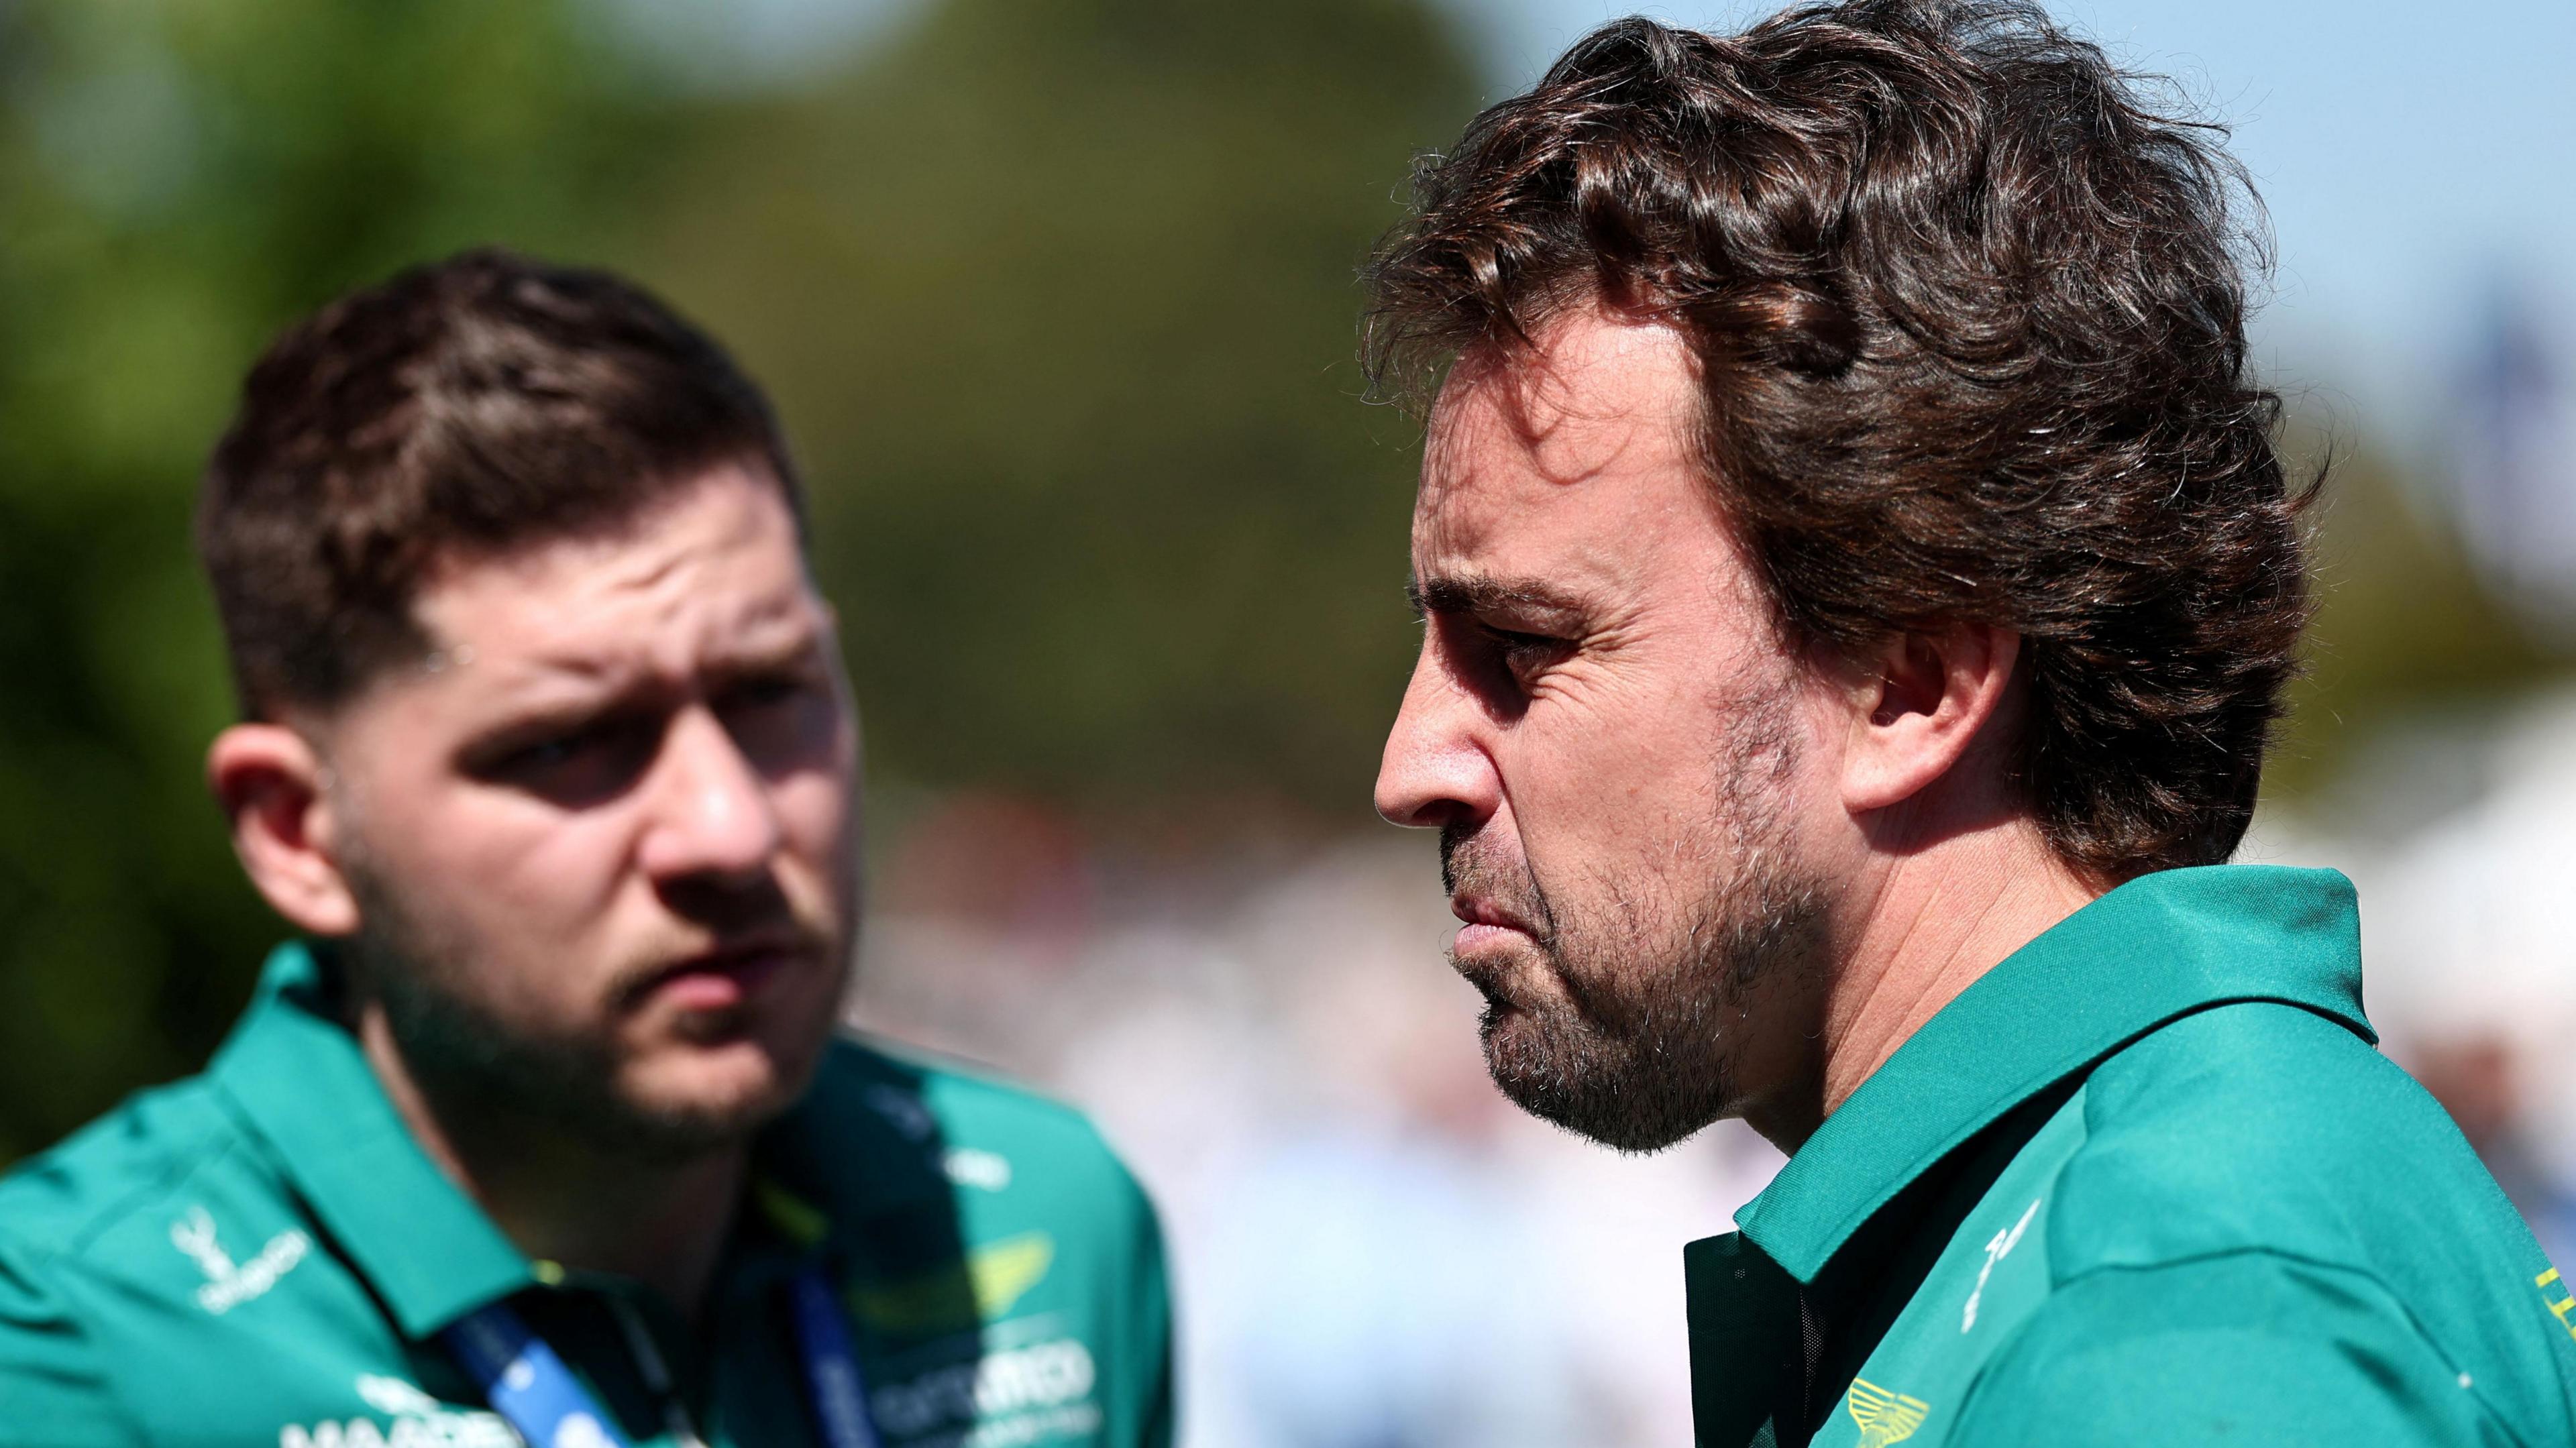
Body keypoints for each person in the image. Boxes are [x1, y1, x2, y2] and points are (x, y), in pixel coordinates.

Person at [1362, 3, 2576, 1443]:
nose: (1411, 765)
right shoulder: (2109, 1231)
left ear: (1916, 685)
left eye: (1523, 647)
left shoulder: (2182, 1320)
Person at [0, 251, 1171, 1448]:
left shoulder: (1045, 1223)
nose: (731, 829)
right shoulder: (65, 1343)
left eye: (770, 690)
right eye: (570, 745)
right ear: (300, 834)